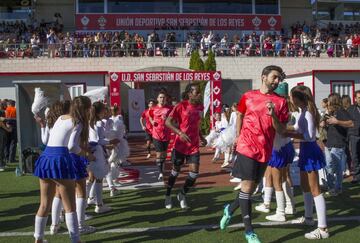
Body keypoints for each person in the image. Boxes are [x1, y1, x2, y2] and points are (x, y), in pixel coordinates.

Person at [220, 65, 288, 243]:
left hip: (265, 150)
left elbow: (281, 130)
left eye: (279, 78)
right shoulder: (248, 96)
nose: (277, 81)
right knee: (248, 187)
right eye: (274, 77)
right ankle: (249, 232)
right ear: (263, 77)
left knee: (248, 190)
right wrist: (238, 136)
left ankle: (230, 208)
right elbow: (240, 115)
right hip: (247, 147)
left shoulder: (281, 102)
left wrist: (273, 115)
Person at [269, 85, 329, 240]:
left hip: (310, 150)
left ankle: (323, 228)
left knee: (315, 189)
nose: (290, 99)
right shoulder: (303, 112)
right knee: (304, 186)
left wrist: (286, 132)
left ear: (298, 98)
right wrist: (281, 127)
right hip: (305, 150)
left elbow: (309, 136)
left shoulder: (308, 113)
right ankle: (309, 218)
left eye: (292, 97)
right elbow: (296, 127)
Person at [33, 96, 92, 243]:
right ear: (86, 109)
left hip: (46, 158)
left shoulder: (60, 118)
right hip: (60, 160)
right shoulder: (78, 122)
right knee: (70, 206)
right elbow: (72, 146)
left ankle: (38, 239)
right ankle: (75, 240)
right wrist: (85, 154)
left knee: (44, 204)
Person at [164, 83, 206, 209]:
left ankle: (182, 194)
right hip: (180, 145)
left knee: (194, 174)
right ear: (189, 93)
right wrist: (179, 133)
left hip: (193, 146)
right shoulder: (181, 106)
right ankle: (167, 195)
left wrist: (201, 137)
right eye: (196, 92)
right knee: (175, 172)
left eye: (199, 92)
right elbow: (167, 122)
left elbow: (196, 125)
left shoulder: (200, 107)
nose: (199, 94)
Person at [323, 93, 354, 196]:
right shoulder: (331, 112)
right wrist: (324, 124)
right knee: (328, 166)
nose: (327, 103)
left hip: (339, 143)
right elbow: (330, 127)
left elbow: (351, 123)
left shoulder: (342, 112)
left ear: (333, 101)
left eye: (329, 100)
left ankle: (338, 188)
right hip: (329, 143)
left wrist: (337, 121)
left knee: (337, 167)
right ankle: (331, 187)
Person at [149, 92, 173, 181]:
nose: (162, 99)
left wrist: (167, 120)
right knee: (159, 153)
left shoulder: (170, 109)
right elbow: (150, 117)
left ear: (166, 99)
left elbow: (173, 119)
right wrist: (152, 122)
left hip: (166, 134)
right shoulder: (153, 109)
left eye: (163, 97)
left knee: (164, 153)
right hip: (156, 134)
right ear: (157, 99)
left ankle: (162, 166)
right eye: (160, 97)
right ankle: (160, 173)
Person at [348, 90, 360, 184]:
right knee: (355, 156)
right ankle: (356, 176)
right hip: (354, 135)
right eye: (359, 98)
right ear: (355, 99)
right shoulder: (351, 109)